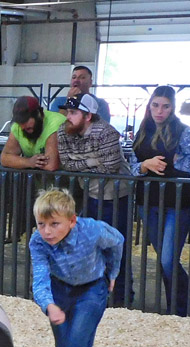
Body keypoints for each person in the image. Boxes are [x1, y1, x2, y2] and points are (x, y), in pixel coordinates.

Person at [29, 188, 123, 347]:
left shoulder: (92, 230)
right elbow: (40, 279)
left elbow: (117, 241)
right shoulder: (38, 242)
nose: (47, 231)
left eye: (54, 224)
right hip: (59, 290)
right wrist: (49, 304)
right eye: (41, 224)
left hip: (91, 290)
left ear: (72, 221)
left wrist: (112, 273)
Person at [130, 85, 190, 317]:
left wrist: (169, 161)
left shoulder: (183, 131)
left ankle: (181, 310)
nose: (159, 111)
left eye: (165, 106)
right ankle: (176, 309)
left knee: (168, 259)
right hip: (147, 200)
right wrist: (144, 165)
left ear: (172, 108)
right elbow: (131, 165)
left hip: (177, 202)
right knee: (164, 259)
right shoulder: (143, 130)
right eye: (155, 105)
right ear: (150, 105)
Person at [57, 93, 133, 307]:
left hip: (116, 196)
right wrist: (92, 161)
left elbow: (109, 167)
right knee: (91, 246)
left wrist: (81, 163)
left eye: (73, 112)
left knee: (116, 246)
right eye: (67, 112)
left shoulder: (107, 132)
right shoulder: (64, 131)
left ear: (88, 116)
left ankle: (121, 298)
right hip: (90, 194)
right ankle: (95, 296)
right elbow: (66, 164)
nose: (68, 116)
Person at [0, 95, 64, 171]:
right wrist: (28, 162)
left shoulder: (55, 123)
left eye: (26, 121)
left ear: (38, 114)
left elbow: (50, 165)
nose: (23, 127)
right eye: (20, 122)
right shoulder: (18, 126)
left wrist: (19, 162)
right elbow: (4, 158)